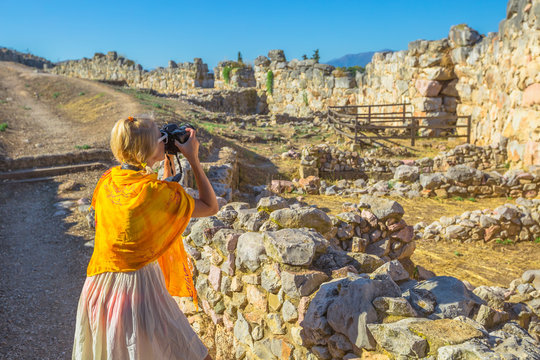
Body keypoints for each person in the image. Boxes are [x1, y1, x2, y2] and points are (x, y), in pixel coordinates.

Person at [72, 116, 218, 360]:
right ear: (148, 149)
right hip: (138, 290)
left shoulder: (109, 180)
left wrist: (167, 158)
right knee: (189, 353)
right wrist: (192, 158)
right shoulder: (155, 194)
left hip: (98, 288)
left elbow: (154, 196)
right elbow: (209, 206)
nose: (164, 141)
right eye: (161, 139)